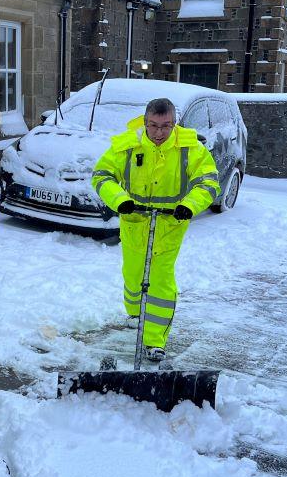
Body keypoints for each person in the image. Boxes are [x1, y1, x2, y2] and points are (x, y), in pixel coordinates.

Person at [91, 97, 221, 362]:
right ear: (145, 121)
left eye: (166, 126)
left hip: (169, 225)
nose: (160, 132)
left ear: (174, 123)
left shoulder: (190, 148)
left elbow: (208, 182)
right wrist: (120, 201)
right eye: (153, 125)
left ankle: (154, 341)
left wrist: (189, 205)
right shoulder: (127, 145)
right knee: (133, 274)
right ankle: (135, 312)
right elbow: (101, 176)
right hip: (135, 222)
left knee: (160, 280)